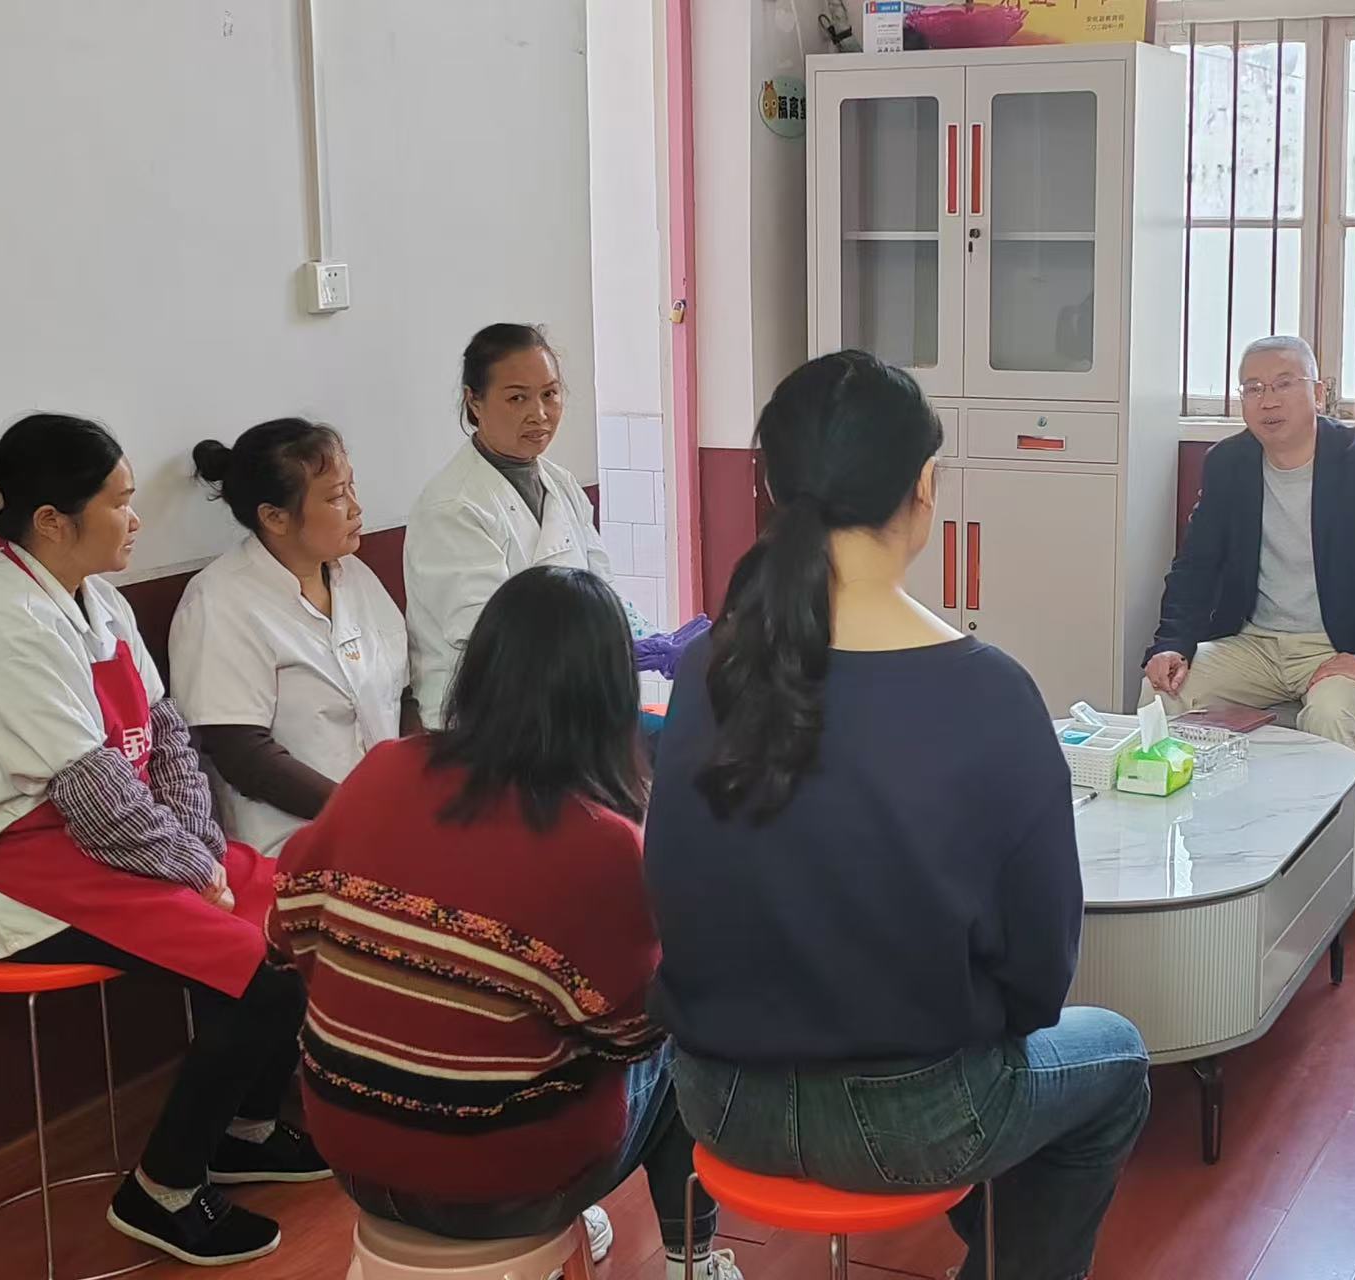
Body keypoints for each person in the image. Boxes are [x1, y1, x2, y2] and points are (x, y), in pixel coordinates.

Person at [645, 351, 1151, 1280]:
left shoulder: (709, 668)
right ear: (925, 487)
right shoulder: (988, 694)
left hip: (716, 1099)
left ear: (770, 484)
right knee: (1115, 1059)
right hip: (911, 1120)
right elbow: (1040, 973)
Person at [0, 414, 322, 1267]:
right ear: (53, 520)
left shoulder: (98, 599)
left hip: (114, 839)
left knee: (301, 914)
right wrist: (197, 870)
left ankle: (243, 1132)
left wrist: (202, 847)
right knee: (259, 972)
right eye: (120, 503)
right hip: (19, 862)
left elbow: (166, 740)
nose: (137, 518)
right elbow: (95, 797)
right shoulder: (6, 622)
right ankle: (163, 1190)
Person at [274, 566, 738, 1280]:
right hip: (504, 1183)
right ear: (613, 696)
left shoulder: (383, 769)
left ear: (480, 670)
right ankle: (692, 1265)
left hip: (349, 1155)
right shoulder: (602, 844)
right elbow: (631, 1035)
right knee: (682, 1043)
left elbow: (287, 933)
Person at [1142, 335, 1355, 754]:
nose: (1268, 401)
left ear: (1318, 394)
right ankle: (1164, 799)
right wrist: (1172, 645)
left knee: (1329, 712)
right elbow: (1195, 568)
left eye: (1284, 383)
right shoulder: (1228, 464)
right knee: (1162, 692)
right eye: (1253, 388)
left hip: (1340, 644)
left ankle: (1333, 803)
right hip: (1254, 644)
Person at [170, 418, 409, 859]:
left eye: (352, 487)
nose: (356, 507)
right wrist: (358, 812)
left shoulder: (352, 575)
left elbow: (404, 691)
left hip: (385, 824)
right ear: (274, 517)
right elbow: (243, 755)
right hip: (292, 847)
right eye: (336, 497)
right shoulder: (218, 601)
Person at [405, 323, 647, 727]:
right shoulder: (453, 507)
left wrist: (635, 633)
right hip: (487, 721)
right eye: (517, 398)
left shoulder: (561, 484)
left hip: (564, 708)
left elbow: (599, 585)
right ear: (474, 401)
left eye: (550, 394)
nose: (540, 414)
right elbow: (489, 635)